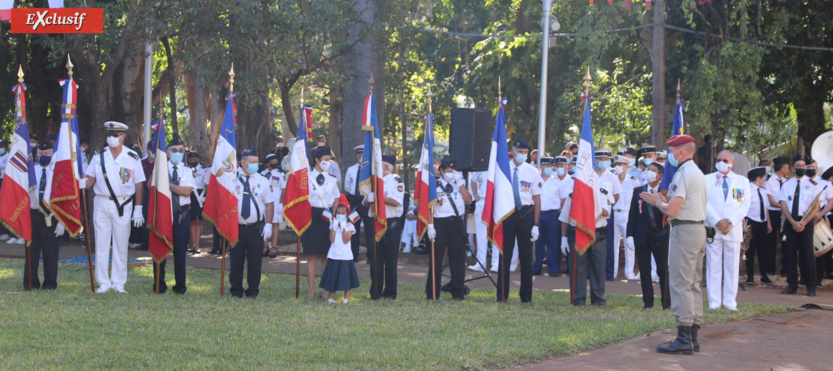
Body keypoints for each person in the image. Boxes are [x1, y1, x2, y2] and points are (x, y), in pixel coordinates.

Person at [640, 134, 707, 355]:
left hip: (685, 229)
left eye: (671, 151)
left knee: (680, 282)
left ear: (680, 151)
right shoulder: (696, 172)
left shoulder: (684, 173)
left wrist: (657, 202)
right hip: (697, 228)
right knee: (694, 283)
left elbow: (672, 210)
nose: (669, 155)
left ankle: (684, 336)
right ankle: (693, 334)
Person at [84, 121, 146, 294]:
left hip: (123, 203)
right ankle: (103, 282)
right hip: (102, 202)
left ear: (123, 136)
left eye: (115, 135)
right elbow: (91, 178)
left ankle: (118, 283)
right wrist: (83, 182)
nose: (111, 138)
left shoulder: (132, 157)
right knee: (102, 244)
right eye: (109, 135)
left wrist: (138, 209)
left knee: (120, 244)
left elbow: (139, 183)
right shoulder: (99, 155)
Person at [559, 163, 613, 306]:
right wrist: (563, 239)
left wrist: (589, 201)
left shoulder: (603, 192)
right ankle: (578, 299)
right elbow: (565, 218)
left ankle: (598, 299)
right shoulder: (573, 195)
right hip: (577, 233)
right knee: (578, 269)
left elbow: (606, 212)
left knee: (598, 268)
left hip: (598, 234)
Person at [703, 150, 750, 310]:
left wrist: (729, 221)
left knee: (732, 267)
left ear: (732, 163)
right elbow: (704, 202)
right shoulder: (707, 179)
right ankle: (714, 302)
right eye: (719, 159)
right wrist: (718, 221)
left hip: (733, 229)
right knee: (713, 266)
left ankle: (730, 302)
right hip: (713, 228)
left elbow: (744, 205)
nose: (722, 162)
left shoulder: (742, 182)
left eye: (725, 160)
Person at [496, 139, 542, 303]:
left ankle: (526, 296)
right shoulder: (502, 169)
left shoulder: (533, 171)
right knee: (505, 255)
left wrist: (536, 224)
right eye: (519, 151)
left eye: (525, 152)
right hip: (507, 213)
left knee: (526, 257)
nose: (522, 154)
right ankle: (502, 295)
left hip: (526, 214)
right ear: (512, 151)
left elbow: (536, 199)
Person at [229, 147, 275, 298]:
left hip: (255, 228)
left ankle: (253, 291)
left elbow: (269, 204)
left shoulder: (263, 181)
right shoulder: (231, 179)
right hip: (236, 227)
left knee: (255, 261)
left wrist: (268, 225)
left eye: (257, 161)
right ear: (242, 162)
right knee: (236, 260)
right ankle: (236, 290)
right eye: (252, 162)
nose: (256, 164)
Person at [152, 135, 195, 294]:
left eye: (181, 150)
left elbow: (187, 191)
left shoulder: (188, 171)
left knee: (180, 253)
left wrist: (167, 185)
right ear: (167, 153)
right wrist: (161, 179)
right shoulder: (160, 169)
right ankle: (159, 285)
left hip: (182, 216)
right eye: (174, 150)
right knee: (160, 250)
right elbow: (153, 186)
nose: (178, 153)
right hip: (163, 215)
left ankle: (180, 286)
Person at [425, 157, 472, 300]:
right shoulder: (435, 185)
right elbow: (429, 206)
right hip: (439, 223)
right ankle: (433, 293)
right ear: (441, 171)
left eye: (454, 171)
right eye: (449, 171)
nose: (452, 174)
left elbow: (468, 199)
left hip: (456, 223)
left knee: (458, 259)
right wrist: (430, 225)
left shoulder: (460, 184)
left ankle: (458, 292)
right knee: (436, 259)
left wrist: (461, 184)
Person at [627, 162, 670, 309]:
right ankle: (648, 302)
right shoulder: (639, 190)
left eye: (653, 171)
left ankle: (666, 301)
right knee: (644, 270)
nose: (649, 173)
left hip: (661, 236)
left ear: (660, 175)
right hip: (642, 236)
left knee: (662, 270)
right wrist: (629, 235)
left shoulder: (665, 193)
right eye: (648, 170)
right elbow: (632, 215)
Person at [778, 156, 823, 296]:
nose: (801, 168)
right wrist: (792, 222)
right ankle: (792, 285)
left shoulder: (812, 185)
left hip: (806, 223)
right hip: (791, 222)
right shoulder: (787, 185)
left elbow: (816, 207)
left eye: (803, 166)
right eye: (798, 165)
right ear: (793, 168)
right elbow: (783, 205)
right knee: (790, 254)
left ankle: (811, 286)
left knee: (807, 255)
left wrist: (803, 222)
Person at [23, 141, 64, 290]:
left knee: (51, 253)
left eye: (47, 153)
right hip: (33, 216)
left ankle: (50, 284)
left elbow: (64, 198)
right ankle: (30, 283)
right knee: (31, 252)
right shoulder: (31, 171)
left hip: (52, 217)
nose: (43, 156)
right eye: (41, 153)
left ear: (52, 154)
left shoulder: (58, 173)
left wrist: (62, 222)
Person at [364, 154, 405, 300]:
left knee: (390, 260)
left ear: (387, 167)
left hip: (391, 223)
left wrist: (378, 196)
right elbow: (365, 202)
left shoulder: (396, 181)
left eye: (379, 165)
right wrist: (368, 200)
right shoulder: (373, 182)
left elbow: (395, 201)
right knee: (375, 259)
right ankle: (375, 292)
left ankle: (390, 293)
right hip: (375, 221)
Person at [303, 146, 340, 299]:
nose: (328, 162)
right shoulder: (306, 177)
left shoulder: (332, 178)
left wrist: (335, 216)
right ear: (317, 160)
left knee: (325, 256)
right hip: (310, 216)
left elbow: (336, 198)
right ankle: (311, 291)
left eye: (329, 160)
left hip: (326, 216)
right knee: (311, 256)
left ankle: (324, 290)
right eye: (325, 160)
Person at [320, 202, 361, 304]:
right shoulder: (332, 224)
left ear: (347, 214)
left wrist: (343, 227)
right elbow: (331, 239)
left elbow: (346, 240)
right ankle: (331, 298)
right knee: (333, 277)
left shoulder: (350, 226)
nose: (340, 215)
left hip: (346, 256)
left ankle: (346, 299)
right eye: (338, 213)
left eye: (343, 213)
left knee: (346, 277)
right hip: (334, 255)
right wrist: (334, 227)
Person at [534, 156, 568, 277]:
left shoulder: (557, 182)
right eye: (545, 166)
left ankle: (553, 268)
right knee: (538, 242)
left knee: (553, 243)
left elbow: (563, 198)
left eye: (550, 166)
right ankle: (537, 267)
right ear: (541, 167)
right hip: (538, 214)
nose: (548, 168)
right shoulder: (535, 180)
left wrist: (558, 208)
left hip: (552, 214)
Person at [612, 155, 641, 280]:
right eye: (617, 164)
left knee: (630, 244)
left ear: (627, 166)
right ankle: (612, 271)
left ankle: (629, 272)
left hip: (627, 213)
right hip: (613, 213)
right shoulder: (611, 179)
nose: (619, 167)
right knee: (613, 244)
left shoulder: (634, 180)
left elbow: (637, 200)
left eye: (621, 164)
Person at [596, 149, 622, 281]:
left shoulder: (612, 175)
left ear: (609, 161)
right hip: (591, 214)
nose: (602, 162)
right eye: (599, 159)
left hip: (606, 214)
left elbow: (616, 195)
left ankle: (608, 272)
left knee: (609, 242)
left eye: (605, 159)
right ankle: (592, 271)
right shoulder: (590, 174)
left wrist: (606, 206)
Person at [745, 167, 774, 286]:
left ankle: (764, 275)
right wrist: (743, 224)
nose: (764, 180)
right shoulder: (747, 190)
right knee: (749, 250)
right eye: (763, 178)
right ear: (758, 178)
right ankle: (750, 276)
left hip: (762, 222)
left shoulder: (763, 191)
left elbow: (766, 208)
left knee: (763, 250)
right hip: (751, 221)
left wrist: (769, 223)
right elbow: (742, 208)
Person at [765, 156, 790, 276]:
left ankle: (786, 269)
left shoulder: (787, 181)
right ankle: (770, 268)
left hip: (784, 214)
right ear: (783, 168)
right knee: (770, 241)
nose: (788, 170)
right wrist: (783, 207)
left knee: (786, 240)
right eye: (787, 168)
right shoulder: (769, 181)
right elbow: (770, 201)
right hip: (773, 212)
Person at [343, 145, 368, 262]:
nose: (360, 156)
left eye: (362, 154)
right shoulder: (351, 169)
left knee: (369, 228)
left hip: (366, 202)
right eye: (358, 154)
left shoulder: (369, 170)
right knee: (353, 228)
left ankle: (370, 255)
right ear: (356, 155)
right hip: (354, 202)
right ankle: (353, 254)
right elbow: (347, 186)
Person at [261, 153, 286, 258]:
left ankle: (274, 247)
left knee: (275, 224)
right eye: (272, 161)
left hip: (276, 202)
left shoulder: (280, 174)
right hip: (264, 202)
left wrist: (281, 203)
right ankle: (265, 246)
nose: (275, 162)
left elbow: (284, 189)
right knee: (265, 224)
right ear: (268, 163)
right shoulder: (262, 174)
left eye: (276, 160)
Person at [186, 151, 208, 254]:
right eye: (191, 160)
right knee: (191, 220)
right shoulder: (186, 169)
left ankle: (197, 245)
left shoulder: (204, 170)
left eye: (194, 160)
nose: (192, 161)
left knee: (199, 221)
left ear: (198, 159)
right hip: (189, 195)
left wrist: (205, 197)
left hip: (200, 196)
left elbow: (207, 184)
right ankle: (192, 243)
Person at [0, 138, 18, 243]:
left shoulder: (10, 157)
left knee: (7, 207)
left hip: (6, 183)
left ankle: (9, 232)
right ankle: (2, 232)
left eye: (2, 147)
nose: (0, 149)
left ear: (6, 147)